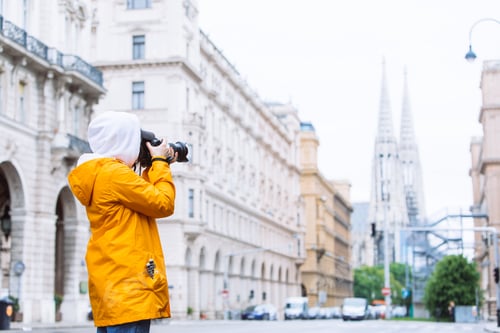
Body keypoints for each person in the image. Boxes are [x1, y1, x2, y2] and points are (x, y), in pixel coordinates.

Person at [68, 111, 177, 333]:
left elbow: (140, 197)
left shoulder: (101, 173)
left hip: (113, 286)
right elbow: (163, 203)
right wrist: (159, 161)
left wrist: (157, 165)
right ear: (124, 141)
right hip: (129, 287)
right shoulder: (114, 174)